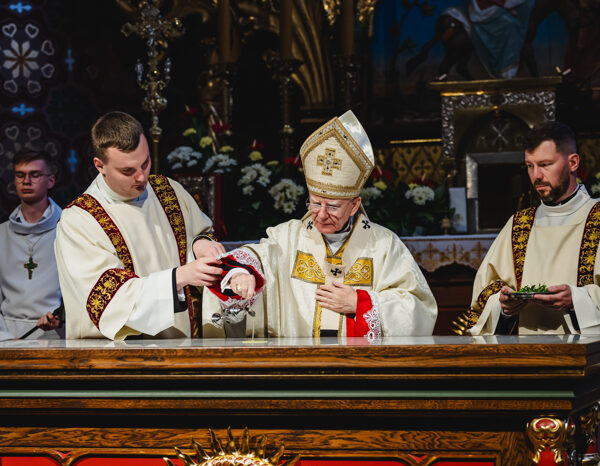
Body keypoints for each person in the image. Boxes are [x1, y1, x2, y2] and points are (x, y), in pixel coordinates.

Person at [202, 110, 438, 340]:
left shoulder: (384, 245)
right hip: (299, 361)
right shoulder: (288, 237)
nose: (321, 215)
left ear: (354, 205)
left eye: (332, 207)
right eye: (315, 203)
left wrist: (360, 303)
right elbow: (257, 255)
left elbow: (419, 309)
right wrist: (241, 272)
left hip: (360, 363)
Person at [54, 111, 224, 339]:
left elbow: (198, 235)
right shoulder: (80, 220)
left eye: (145, 163)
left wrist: (200, 245)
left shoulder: (168, 192)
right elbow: (110, 301)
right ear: (99, 165)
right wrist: (179, 277)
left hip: (182, 346)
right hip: (116, 355)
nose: (142, 177)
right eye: (128, 171)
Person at [459, 120, 600, 335]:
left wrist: (576, 300)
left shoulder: (596, 218)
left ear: (573, 163)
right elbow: (484, 296)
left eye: (545, 164)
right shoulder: (519, 224)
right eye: (530, 166)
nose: (536, 176)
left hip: (587, 353)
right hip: (527, 349)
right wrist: (504, 307)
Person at [0, 149, 63, 341]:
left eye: (34, 175)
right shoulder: (2, 233)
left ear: (50, 180)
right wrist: (4, 337)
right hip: (7, 335)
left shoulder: (68, 230)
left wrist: (61, 320)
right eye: (20, 175)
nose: (26, 181)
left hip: (55, 333)